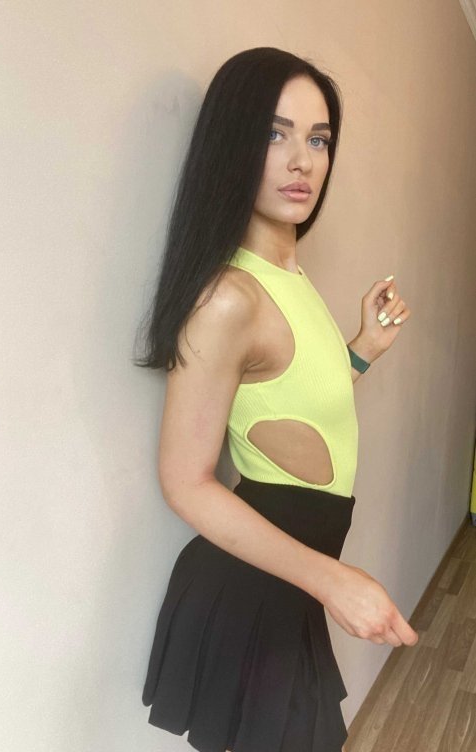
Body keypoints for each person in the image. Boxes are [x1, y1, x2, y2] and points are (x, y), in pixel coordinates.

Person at [133, 46, 417, 752]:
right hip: (252, 590)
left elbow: (291, 410)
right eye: (273, 133)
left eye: (318, 140)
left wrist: (361, 350)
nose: (302, 161)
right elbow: (185, 482)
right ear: (232, 143)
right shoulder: (228, 298)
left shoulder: (289, 278)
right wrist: (334, 582)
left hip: (289, 583)